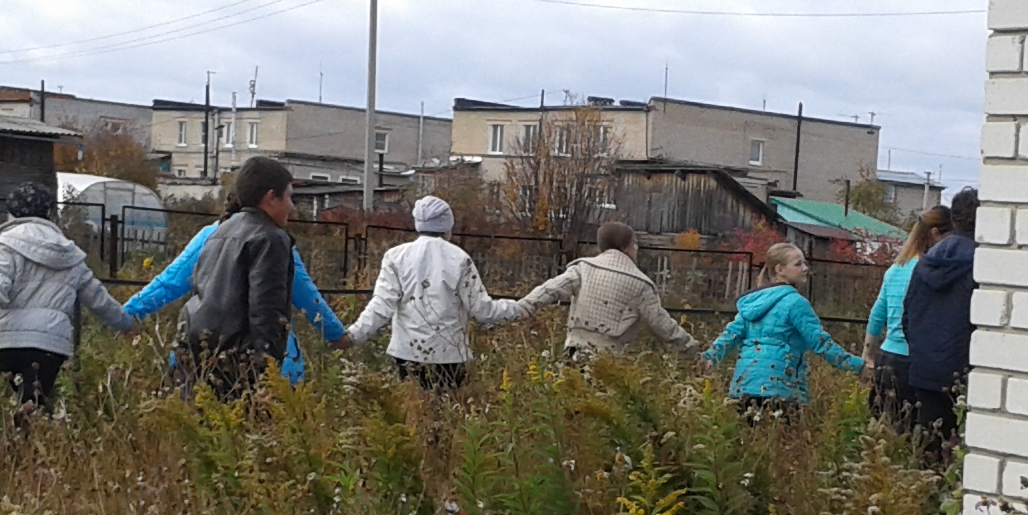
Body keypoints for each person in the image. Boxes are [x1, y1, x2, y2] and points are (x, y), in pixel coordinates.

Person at [0, 182, 136, 415]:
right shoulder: (69, 253)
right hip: (50, 342)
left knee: (16, 400)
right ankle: (31, 413)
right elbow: (98, 298)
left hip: (6, 341)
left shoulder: (6, 245)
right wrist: (126, 323)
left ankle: (24, 417)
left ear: (12, 213)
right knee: (39, 399)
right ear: (49, 213)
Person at [122, 193, 346, 386]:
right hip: (268, 363)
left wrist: (127, 314)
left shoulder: (211, 235)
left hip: (200, 355)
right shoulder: (272, 240)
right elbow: (307, 296)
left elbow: (169, 282)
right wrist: (337, 334)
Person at [343, 195, 529, 391]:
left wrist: (353, 335)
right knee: (447, 406)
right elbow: (483, 310)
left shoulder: (395, 257)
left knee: (411, 407)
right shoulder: (459, 258)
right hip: (449, 356)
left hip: (407, 353)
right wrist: (517, 309)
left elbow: (381, 305)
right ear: (448, 225)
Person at [178, 156, 298, 401]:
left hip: (199, 354)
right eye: (289, 197)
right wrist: (268, 374)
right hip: (240, 365)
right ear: (271, 197)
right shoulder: (270, 238)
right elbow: (267, 310)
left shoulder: (220, 232)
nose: (292, 206)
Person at [704, 241, 863, 421]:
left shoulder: (753, 303)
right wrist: (857, 366)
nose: (805, 268)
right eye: (798, 264)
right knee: (784, 435)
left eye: (805, 263)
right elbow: (820, 343)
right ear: (780, 269)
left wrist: (708, 358)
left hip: (745, 384)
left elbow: (730, 336)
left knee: (750, 436)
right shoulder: (796, 303)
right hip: (780, 386)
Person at [519, 220, 698, 359]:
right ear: (627, 246)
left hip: (574, 352)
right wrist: (691, 349)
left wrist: (523, 307)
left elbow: (550, 289)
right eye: (635, 244)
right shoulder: (641, 284)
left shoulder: (583, 268)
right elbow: (661, 324)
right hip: (612, 361)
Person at [897, 186, 979, 466]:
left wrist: (921, 352)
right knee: (966, 455)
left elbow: (907, 316)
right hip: (966, 372)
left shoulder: (925, 262)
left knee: (930, 451)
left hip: (925, 368)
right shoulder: (983, 263)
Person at [862, 206, 948, 437]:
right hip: (916, 360)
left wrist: (868, 354)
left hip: (888, 356)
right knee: (917, 434)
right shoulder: (933, 272)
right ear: (936, 234)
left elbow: (877, 314)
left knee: (886, 431)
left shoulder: (896, 268)